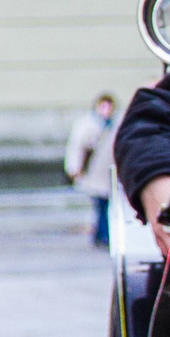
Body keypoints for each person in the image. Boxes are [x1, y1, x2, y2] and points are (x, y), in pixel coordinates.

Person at [65, 93, 119, 247]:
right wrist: (74, 168)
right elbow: (76, 147)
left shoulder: (115, 125)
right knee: (101, 205)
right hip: (93, 173)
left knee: (106, 205)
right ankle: (104, 235)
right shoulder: (87, 125)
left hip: (108, 172)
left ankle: (101, 234)